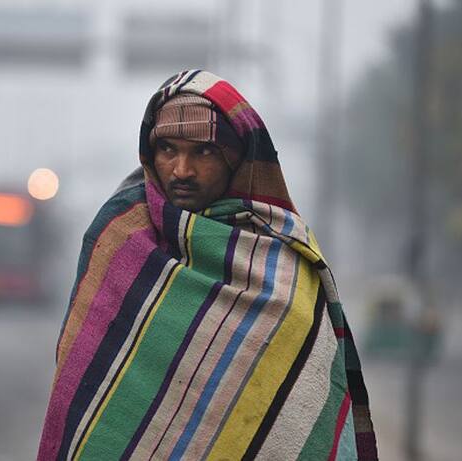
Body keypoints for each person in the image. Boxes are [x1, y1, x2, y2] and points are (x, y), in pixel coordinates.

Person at [37, 70, 377, 460]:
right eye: (168, 150)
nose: (182, 170)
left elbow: (302, 397)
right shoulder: (119, 237)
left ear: (236, 159)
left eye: (203, 152)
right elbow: (85, 381)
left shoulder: (282, 253)